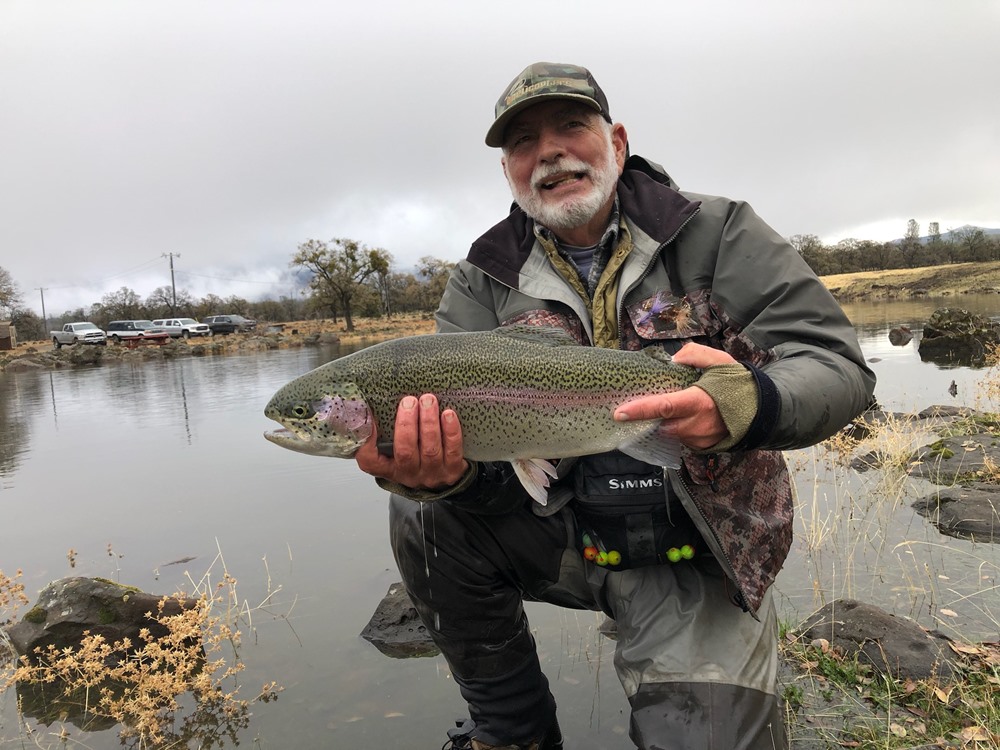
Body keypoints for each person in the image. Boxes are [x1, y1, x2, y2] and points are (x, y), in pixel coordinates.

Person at [355, 62, 876, 750]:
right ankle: (511, 732)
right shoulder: (483, 279)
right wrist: (449, 477)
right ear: (510, 169)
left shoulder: (718, 233)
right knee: (421, 513)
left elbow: (836, 363)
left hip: (700, 551)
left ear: (618, 142)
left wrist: (750, 402)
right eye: (522, 143)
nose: (548, 152)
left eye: (571, 126)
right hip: (562, 533)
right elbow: (491, 473)